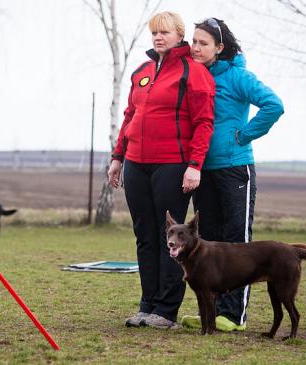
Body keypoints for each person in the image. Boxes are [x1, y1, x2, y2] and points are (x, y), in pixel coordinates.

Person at [107, 12, 215, 329]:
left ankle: (166, 311)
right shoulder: (141, 71)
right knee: (145, 236)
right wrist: (118, 157)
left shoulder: (192, 72)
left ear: (179, 35)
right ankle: (147, 305)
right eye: (154, 32)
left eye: (165, 32)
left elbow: (204, 123)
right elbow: (130, 115)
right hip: (137, 164)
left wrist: (194, 165)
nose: (158, 37)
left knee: (172, 240)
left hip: (172, 163)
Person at [180, 18, 284, 332]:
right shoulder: (195, 75)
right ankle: (210, 314)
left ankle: (234, 315)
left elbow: (273, 105)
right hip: (203, 171)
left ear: (219, 47)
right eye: (194, 41)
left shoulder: (238, 76)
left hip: (235, 167)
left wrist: (243, 136)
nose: (196, 48)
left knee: (237, 242)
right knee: (208, 243)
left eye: (203, 43)